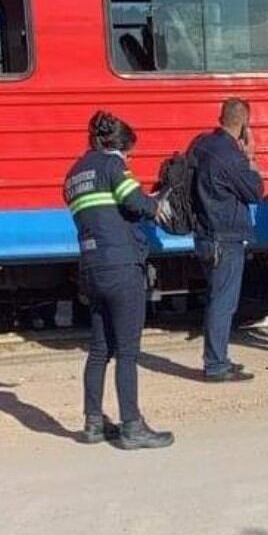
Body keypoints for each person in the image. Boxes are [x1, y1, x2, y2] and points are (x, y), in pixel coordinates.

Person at [62, 111, 173, 450]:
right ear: (118, 147)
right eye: (129, 153)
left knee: (99, 350)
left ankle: (93, 423)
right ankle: (132, 426)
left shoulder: (73, 175)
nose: (129, 159)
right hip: (122, 266)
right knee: (127, 351)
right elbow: (134, 202)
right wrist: (157, 202)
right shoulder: (112, 165)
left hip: (92, 268)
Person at [187, 97, 264, 382]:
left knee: (215, 299)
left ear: (221, 117)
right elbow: (255, 192)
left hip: (205, 234)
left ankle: (219, 359)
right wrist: (250, 156)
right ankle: (216, 365)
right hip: (225, 237)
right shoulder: (231, 156)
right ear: (244, 123)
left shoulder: (201, 144)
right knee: (223, 303)